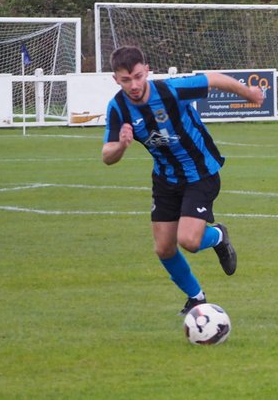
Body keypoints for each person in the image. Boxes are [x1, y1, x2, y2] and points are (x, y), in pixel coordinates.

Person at [102, 46, 264, 316]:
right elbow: (107, 156)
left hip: (200, 172)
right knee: (164, 248)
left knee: (188, 240)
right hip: (165, 179)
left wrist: (249, 94)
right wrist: (120, 145)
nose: (134, 85)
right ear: (115, 79)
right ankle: (196, 298)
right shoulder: (117, 108)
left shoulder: (170, 91)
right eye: (126, 80)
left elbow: (213, 79)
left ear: (147, 71)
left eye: (138, 76)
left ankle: (218, 236)